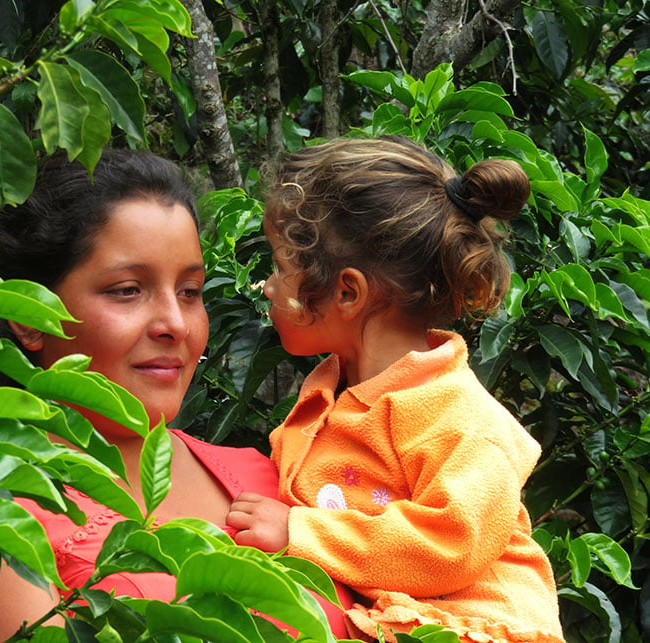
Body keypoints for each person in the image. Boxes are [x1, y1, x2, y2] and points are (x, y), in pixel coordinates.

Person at [0, 149, 352, 641]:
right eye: (128, 290)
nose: (175, 324)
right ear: (29, 315)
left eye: (190, 291)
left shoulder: (279, 474)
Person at [226, 136, 565, 643]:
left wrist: (300, 532)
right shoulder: (333, 389)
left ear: (347, 292)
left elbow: (455, 540)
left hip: (480, 627)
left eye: (279, 267)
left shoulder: (459, 417)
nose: (267, 286)